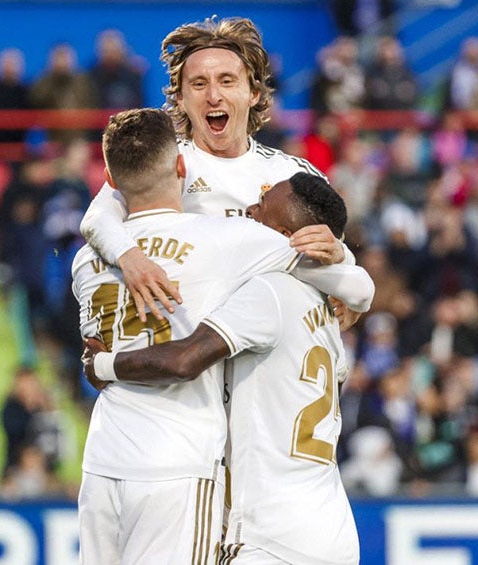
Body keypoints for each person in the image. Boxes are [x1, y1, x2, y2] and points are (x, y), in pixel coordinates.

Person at [71, 108, 373, 564]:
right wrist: (345, 265)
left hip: (104, 458)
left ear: (110, 180)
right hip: (182, 463)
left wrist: (100, 362)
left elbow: (97, 223)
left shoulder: (83, 264)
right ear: (179, 167)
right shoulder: (230, 243)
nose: (251, 209)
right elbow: (357, 287)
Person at [79, 17, 351, 322]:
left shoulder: (291, 174)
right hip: (188, 347)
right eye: (198, 84)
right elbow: (97, 218)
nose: (213, 96)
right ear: (180, 99)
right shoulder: (164, 161)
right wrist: (131, 259)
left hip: (268, 354)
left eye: (227, 80)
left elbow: (336, 246)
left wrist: (343, 268)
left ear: (254, 93)